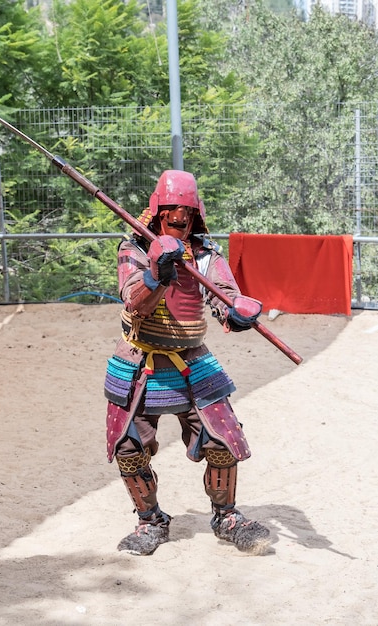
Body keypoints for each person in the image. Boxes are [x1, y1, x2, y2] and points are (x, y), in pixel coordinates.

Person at [104, 170, 270, 556]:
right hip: (140, 358)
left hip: (193, 359)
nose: (180, 220)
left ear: (196, 215)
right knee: (129, 447)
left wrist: (238, 313)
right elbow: (134, 299)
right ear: (158, 211)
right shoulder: (134, 250)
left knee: (222, 441)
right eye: (173, 215)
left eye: (187, 215)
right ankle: (150, 521)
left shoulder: (207, 255)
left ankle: (226, 516)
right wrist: (158, 272)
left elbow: (224, 299)